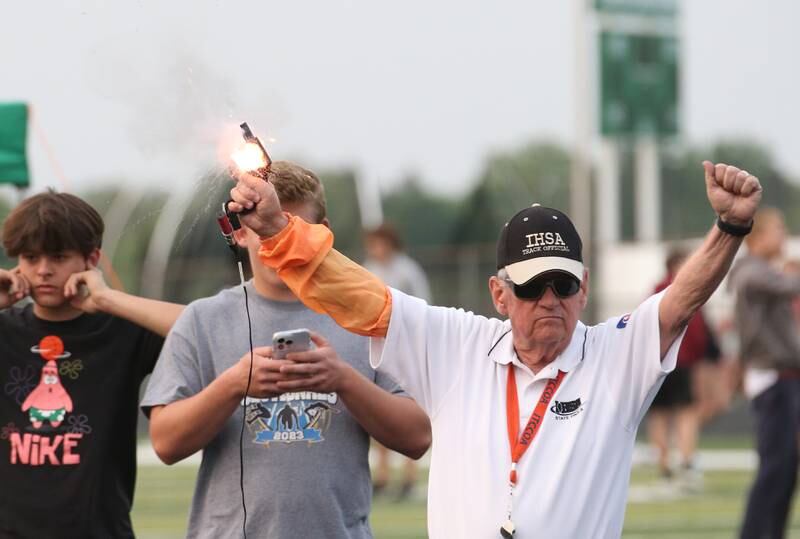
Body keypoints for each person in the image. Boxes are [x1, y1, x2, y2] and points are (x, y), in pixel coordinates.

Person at [228, 160, 761, 537]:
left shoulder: (613, 357)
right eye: (531, 286)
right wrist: (277, 227)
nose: (549, 299)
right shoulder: (458, 343)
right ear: (499, 294)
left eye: (564, 283)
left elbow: (680, 302)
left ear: (585, 287)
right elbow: (359, 295)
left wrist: (730, 227)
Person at [142, 161, 431, 539]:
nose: (279, 243)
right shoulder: (203, 319)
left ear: (322, 236)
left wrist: (342, 379)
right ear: (242, 234)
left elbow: (417, 438)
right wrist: (233, 384)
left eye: (293, 229)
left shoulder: (366, 317)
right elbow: (165, 443)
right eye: (266, 228)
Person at [0, 191, 183, 538]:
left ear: (91, 258)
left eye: (58, 256)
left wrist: (108, 299)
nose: (42, 270)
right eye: (30, 257)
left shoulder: (122, 329)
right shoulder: (5, 330)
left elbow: (210, 329)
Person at [729, 208, 800, 539]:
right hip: (772, 379)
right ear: (757, 237)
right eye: (778, 229)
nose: (783, 235)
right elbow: (790, 285)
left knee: (784, 470)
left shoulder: (761, 272)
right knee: (775, 468)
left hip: (781, 377)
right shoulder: (751, 272)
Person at [363, 223, 431, 499]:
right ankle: (382, 475)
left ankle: (409, 476)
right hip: (377, 350)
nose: (376, 249)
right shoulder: (367, 269)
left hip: (406, 349)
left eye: (380, 243)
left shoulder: (408, 271)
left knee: (409, 412)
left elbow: (425, 304)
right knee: (379, 414)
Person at [647, 247, 721, 492]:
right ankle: (682, 462)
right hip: (677, 361)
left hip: (663, 361)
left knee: (666, 414)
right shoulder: (684, 291)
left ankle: (667, 464)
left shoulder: (656, 289)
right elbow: (698, 331)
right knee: (680, 413)